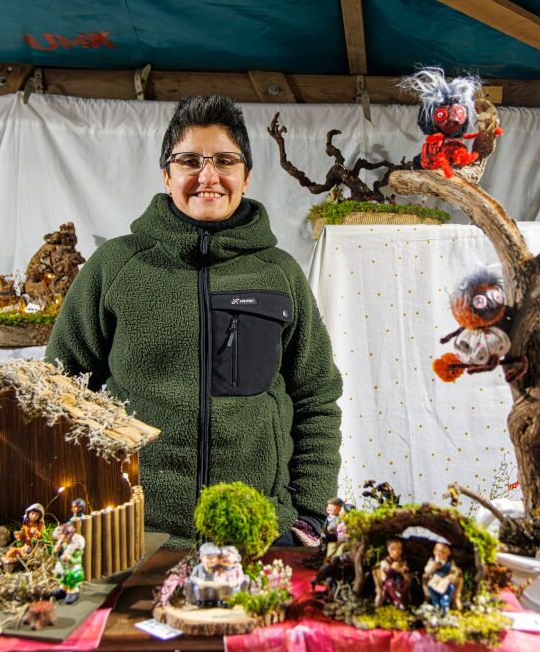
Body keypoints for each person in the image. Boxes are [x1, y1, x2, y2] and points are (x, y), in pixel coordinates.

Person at [46, 96, 343, 548]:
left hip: (259, 532)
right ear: (167, 176)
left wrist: (310, 513)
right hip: (135, 534)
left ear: (246, 176)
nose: (208, 176)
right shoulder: (115, 266)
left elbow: (316, 397)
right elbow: (58, 393)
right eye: (189, 161)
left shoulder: (280, 273)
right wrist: (77, 505)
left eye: (224, 160)